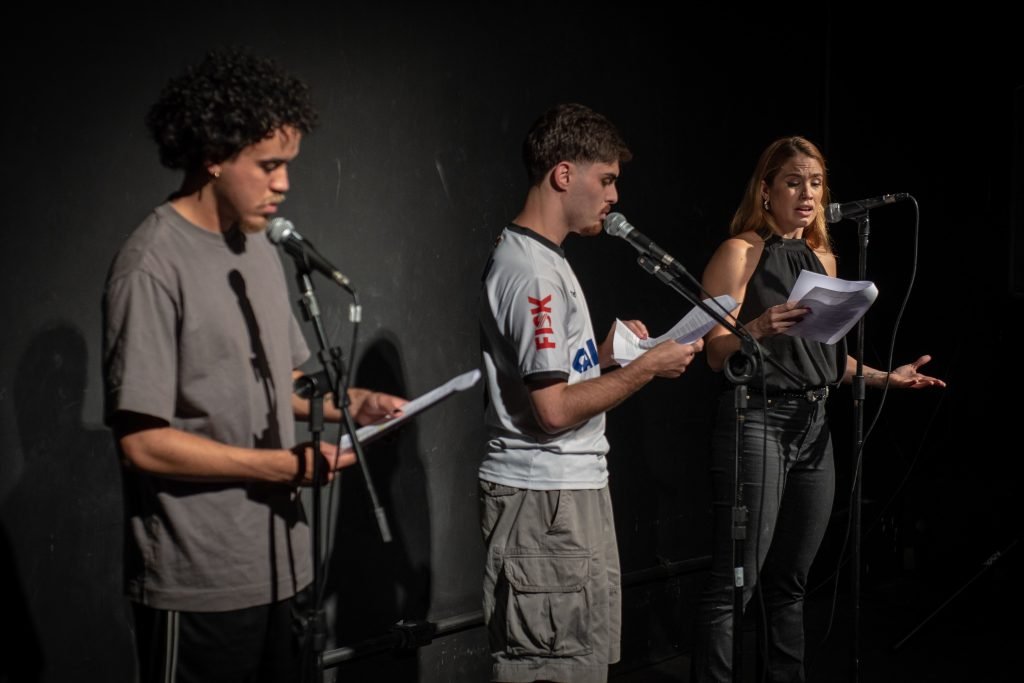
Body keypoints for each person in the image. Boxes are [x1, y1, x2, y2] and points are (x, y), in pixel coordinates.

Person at [101, 48, 406, 683]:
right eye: (268, 166)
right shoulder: (151, 264)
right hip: (200, 583)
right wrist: (281, 466)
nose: (284, 184)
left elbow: (284, 384)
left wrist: (349, 403)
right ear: (213, 155)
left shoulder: (261, 247)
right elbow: (143, 443)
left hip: (282, 567)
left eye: (287, 165)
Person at [692, 135, 945, 682]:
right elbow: (713, 351)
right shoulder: (740, 252)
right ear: (766, 191)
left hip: (814, 428)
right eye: (793, 182)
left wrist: (886, 378)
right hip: (757, 420)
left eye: (815, 183)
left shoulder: (824, 257)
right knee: (737, 580)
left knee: (792, 582)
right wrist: (754, 328)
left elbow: (828, 357)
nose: (807, 194)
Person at [478, 102, 705, 683]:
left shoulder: (545, 262)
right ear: (562, 174)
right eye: (605, 180)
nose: (613, 197)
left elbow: (549, 373)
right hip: (546, 503)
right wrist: (646, 368)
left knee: (579, 664)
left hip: (568, 496)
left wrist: (603, 358)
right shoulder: (532, 274)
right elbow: (552, 411)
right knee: (552, 668)